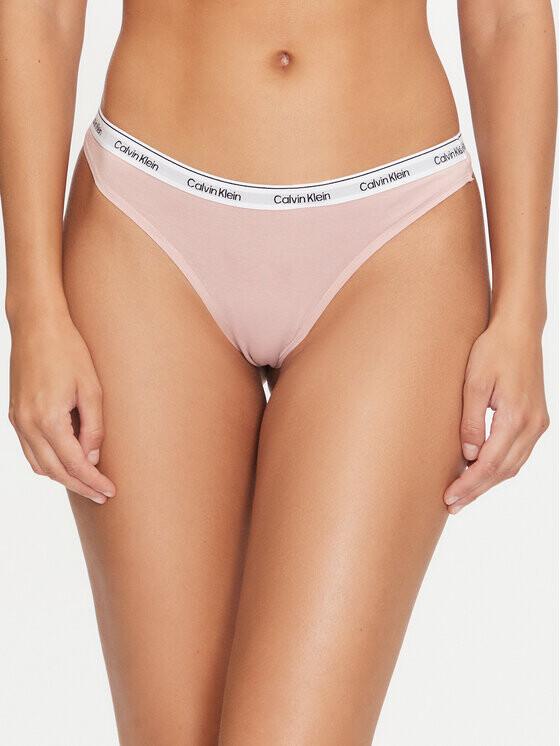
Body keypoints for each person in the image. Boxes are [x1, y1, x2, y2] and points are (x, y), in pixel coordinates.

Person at [0, 1, 556, 744]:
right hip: (147, 226)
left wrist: (523, 312)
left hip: (396, 241)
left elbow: (506, 18)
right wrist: (32, 306)